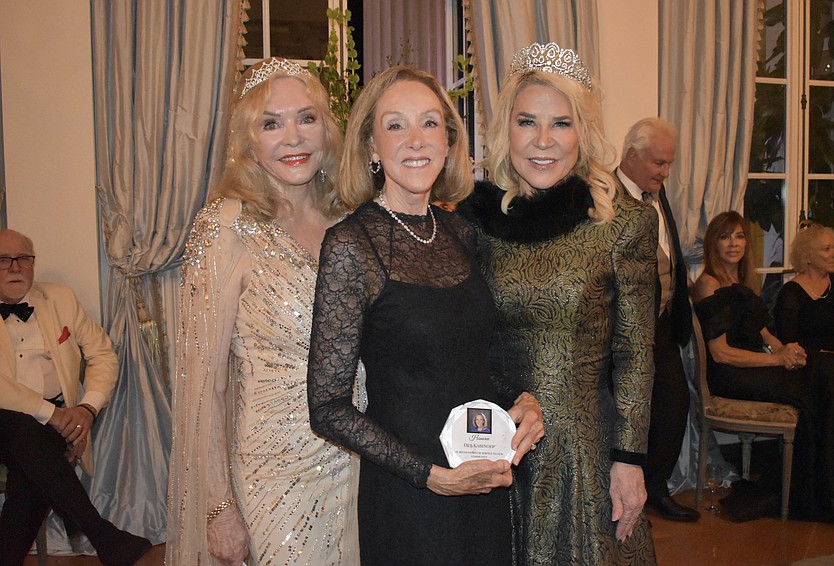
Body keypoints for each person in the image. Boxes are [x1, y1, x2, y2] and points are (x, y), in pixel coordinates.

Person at [306, 65, 544, 565]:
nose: (416, 140)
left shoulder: (461, 234)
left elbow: (475, 359)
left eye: (430, 123)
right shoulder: (352, 244)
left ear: (449, 140)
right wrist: (431, 477)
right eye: (395, 125)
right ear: (371, 146)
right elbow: (327, 406)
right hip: (410, 496)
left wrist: (521, 399)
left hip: (480, 480)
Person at [458, 42, 658, 564]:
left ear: (583, 134)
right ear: (508, 131)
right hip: (493, 445)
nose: (543, 141)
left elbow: (636, 352)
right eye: (528, 122)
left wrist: (630, 459)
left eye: (561, 124)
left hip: (583, 457)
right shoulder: (475, 224)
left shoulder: (621, 224)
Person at [167, 57, 362, 566]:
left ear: (327, 129)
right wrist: (219, 506)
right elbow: (203, 382)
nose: (293, 137)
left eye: (307, 118)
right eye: (271, 123)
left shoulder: (349, 218)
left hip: (361, 470)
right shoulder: (225, 226)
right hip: (274, 481)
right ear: (249, 141)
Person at [0, 229, 152, 566]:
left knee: (29, 476)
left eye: (24, 258)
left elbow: (103, 355)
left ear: (33, 263)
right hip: (7, 420)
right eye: (3, 260)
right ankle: (102, 535)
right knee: (24, 431)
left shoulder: (61, 299)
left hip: (52, 423)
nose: (15, 267)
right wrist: (53, 416)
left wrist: (86, 409)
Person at [693, 211, 834, 520]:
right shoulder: (708, 284)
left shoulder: (743, 283)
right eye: (725, 237)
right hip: (732, 374)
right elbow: (722, 354)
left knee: (829, 366)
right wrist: (776, 359)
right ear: (714, 243)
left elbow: (767, 336)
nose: (733, 243)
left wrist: (788, 351)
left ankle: (831, 475)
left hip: (757, 367)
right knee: (821, 380)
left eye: (739, 236)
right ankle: (833, 475)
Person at [616, 118, 699, 522]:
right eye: (659, 163)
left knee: (673, 404)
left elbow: (672, 257)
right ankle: (623, 493)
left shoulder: (657, 195)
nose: (665, 173)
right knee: (627, 414)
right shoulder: (606, 198)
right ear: (632, 156)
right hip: (621, 333)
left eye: (669, 165)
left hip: (662, 326)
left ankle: (656, 488)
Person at [774, 221, 834, 490]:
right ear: (807, 256)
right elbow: (789, 344)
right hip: (807, 366)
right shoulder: (790, 293)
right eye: (826, 249)